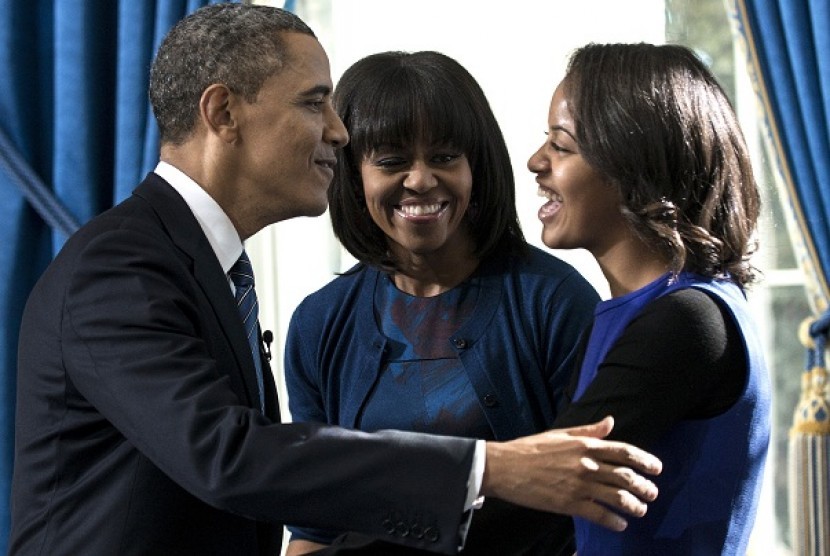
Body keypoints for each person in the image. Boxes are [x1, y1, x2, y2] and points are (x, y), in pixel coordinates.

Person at [8, 5, 662, 555]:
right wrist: (491, 466)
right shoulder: (120, 269)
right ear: (224, 114)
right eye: (314, 104)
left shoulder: (204, 266)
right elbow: (233, 459)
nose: (338, 131)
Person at [282, 50, 600, 556]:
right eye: (391, 161)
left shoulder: (554, 302)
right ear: (350, 173)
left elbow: (586, 500)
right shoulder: (319, 323)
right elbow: (313, 528)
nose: (421, 180)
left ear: (477, 164)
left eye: (445, 157)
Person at [527, 42, 771, 555]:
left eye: (562, 146)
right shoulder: (625, 316)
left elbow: (532, 494)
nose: (535, 162)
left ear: (632, 169)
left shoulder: (689, 321)